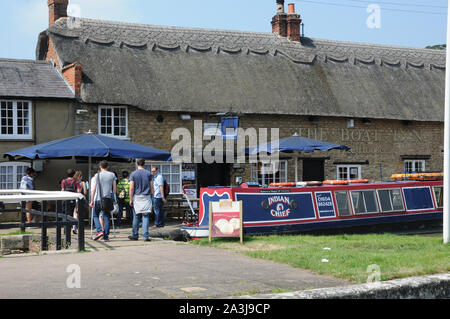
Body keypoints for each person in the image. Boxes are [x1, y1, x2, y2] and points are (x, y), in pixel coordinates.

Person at [89, 161, 117, 242]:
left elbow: (94, 188)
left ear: (100, 166)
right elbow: (114, 189)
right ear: (107, 166)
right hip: (108, 199)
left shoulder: (97, 175)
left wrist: (92, 200)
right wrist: (114, 198)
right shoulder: (112, 175)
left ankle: (99, 231)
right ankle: (106, 237)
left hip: (98, 198)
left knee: (95, 215)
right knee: (106, 217)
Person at [129, 159, 153, 242]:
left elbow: (131, 188)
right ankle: (146, 236)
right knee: (145, 216)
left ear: (136, 163)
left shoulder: (133, 174)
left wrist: (131, 199)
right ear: (144, 164)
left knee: (136, 216)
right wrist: (152, 195)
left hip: (137, 196)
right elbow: (151, 186)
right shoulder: (149, 173)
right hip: (146, 196)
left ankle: (135, 235)